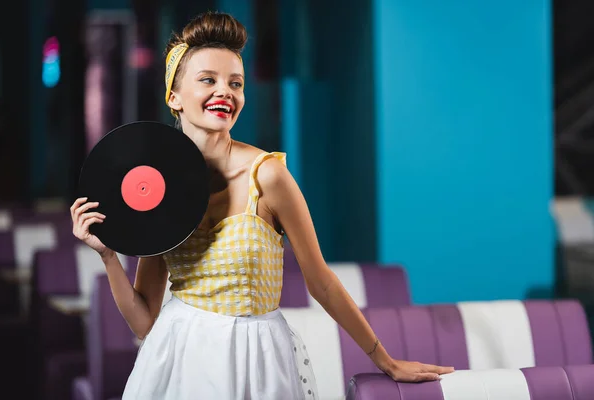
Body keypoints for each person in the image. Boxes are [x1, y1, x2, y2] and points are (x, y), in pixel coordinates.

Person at [70, 11, 454, 399]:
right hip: (175, 358)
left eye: (235, 83)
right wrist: (108, 257)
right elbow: (144, 322)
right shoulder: (158, 185)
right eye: (208, 80)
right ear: (174, 97)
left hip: (256, 360)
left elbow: (320, 281)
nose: (225, 92)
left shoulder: (267, 176)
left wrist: (386, 361)